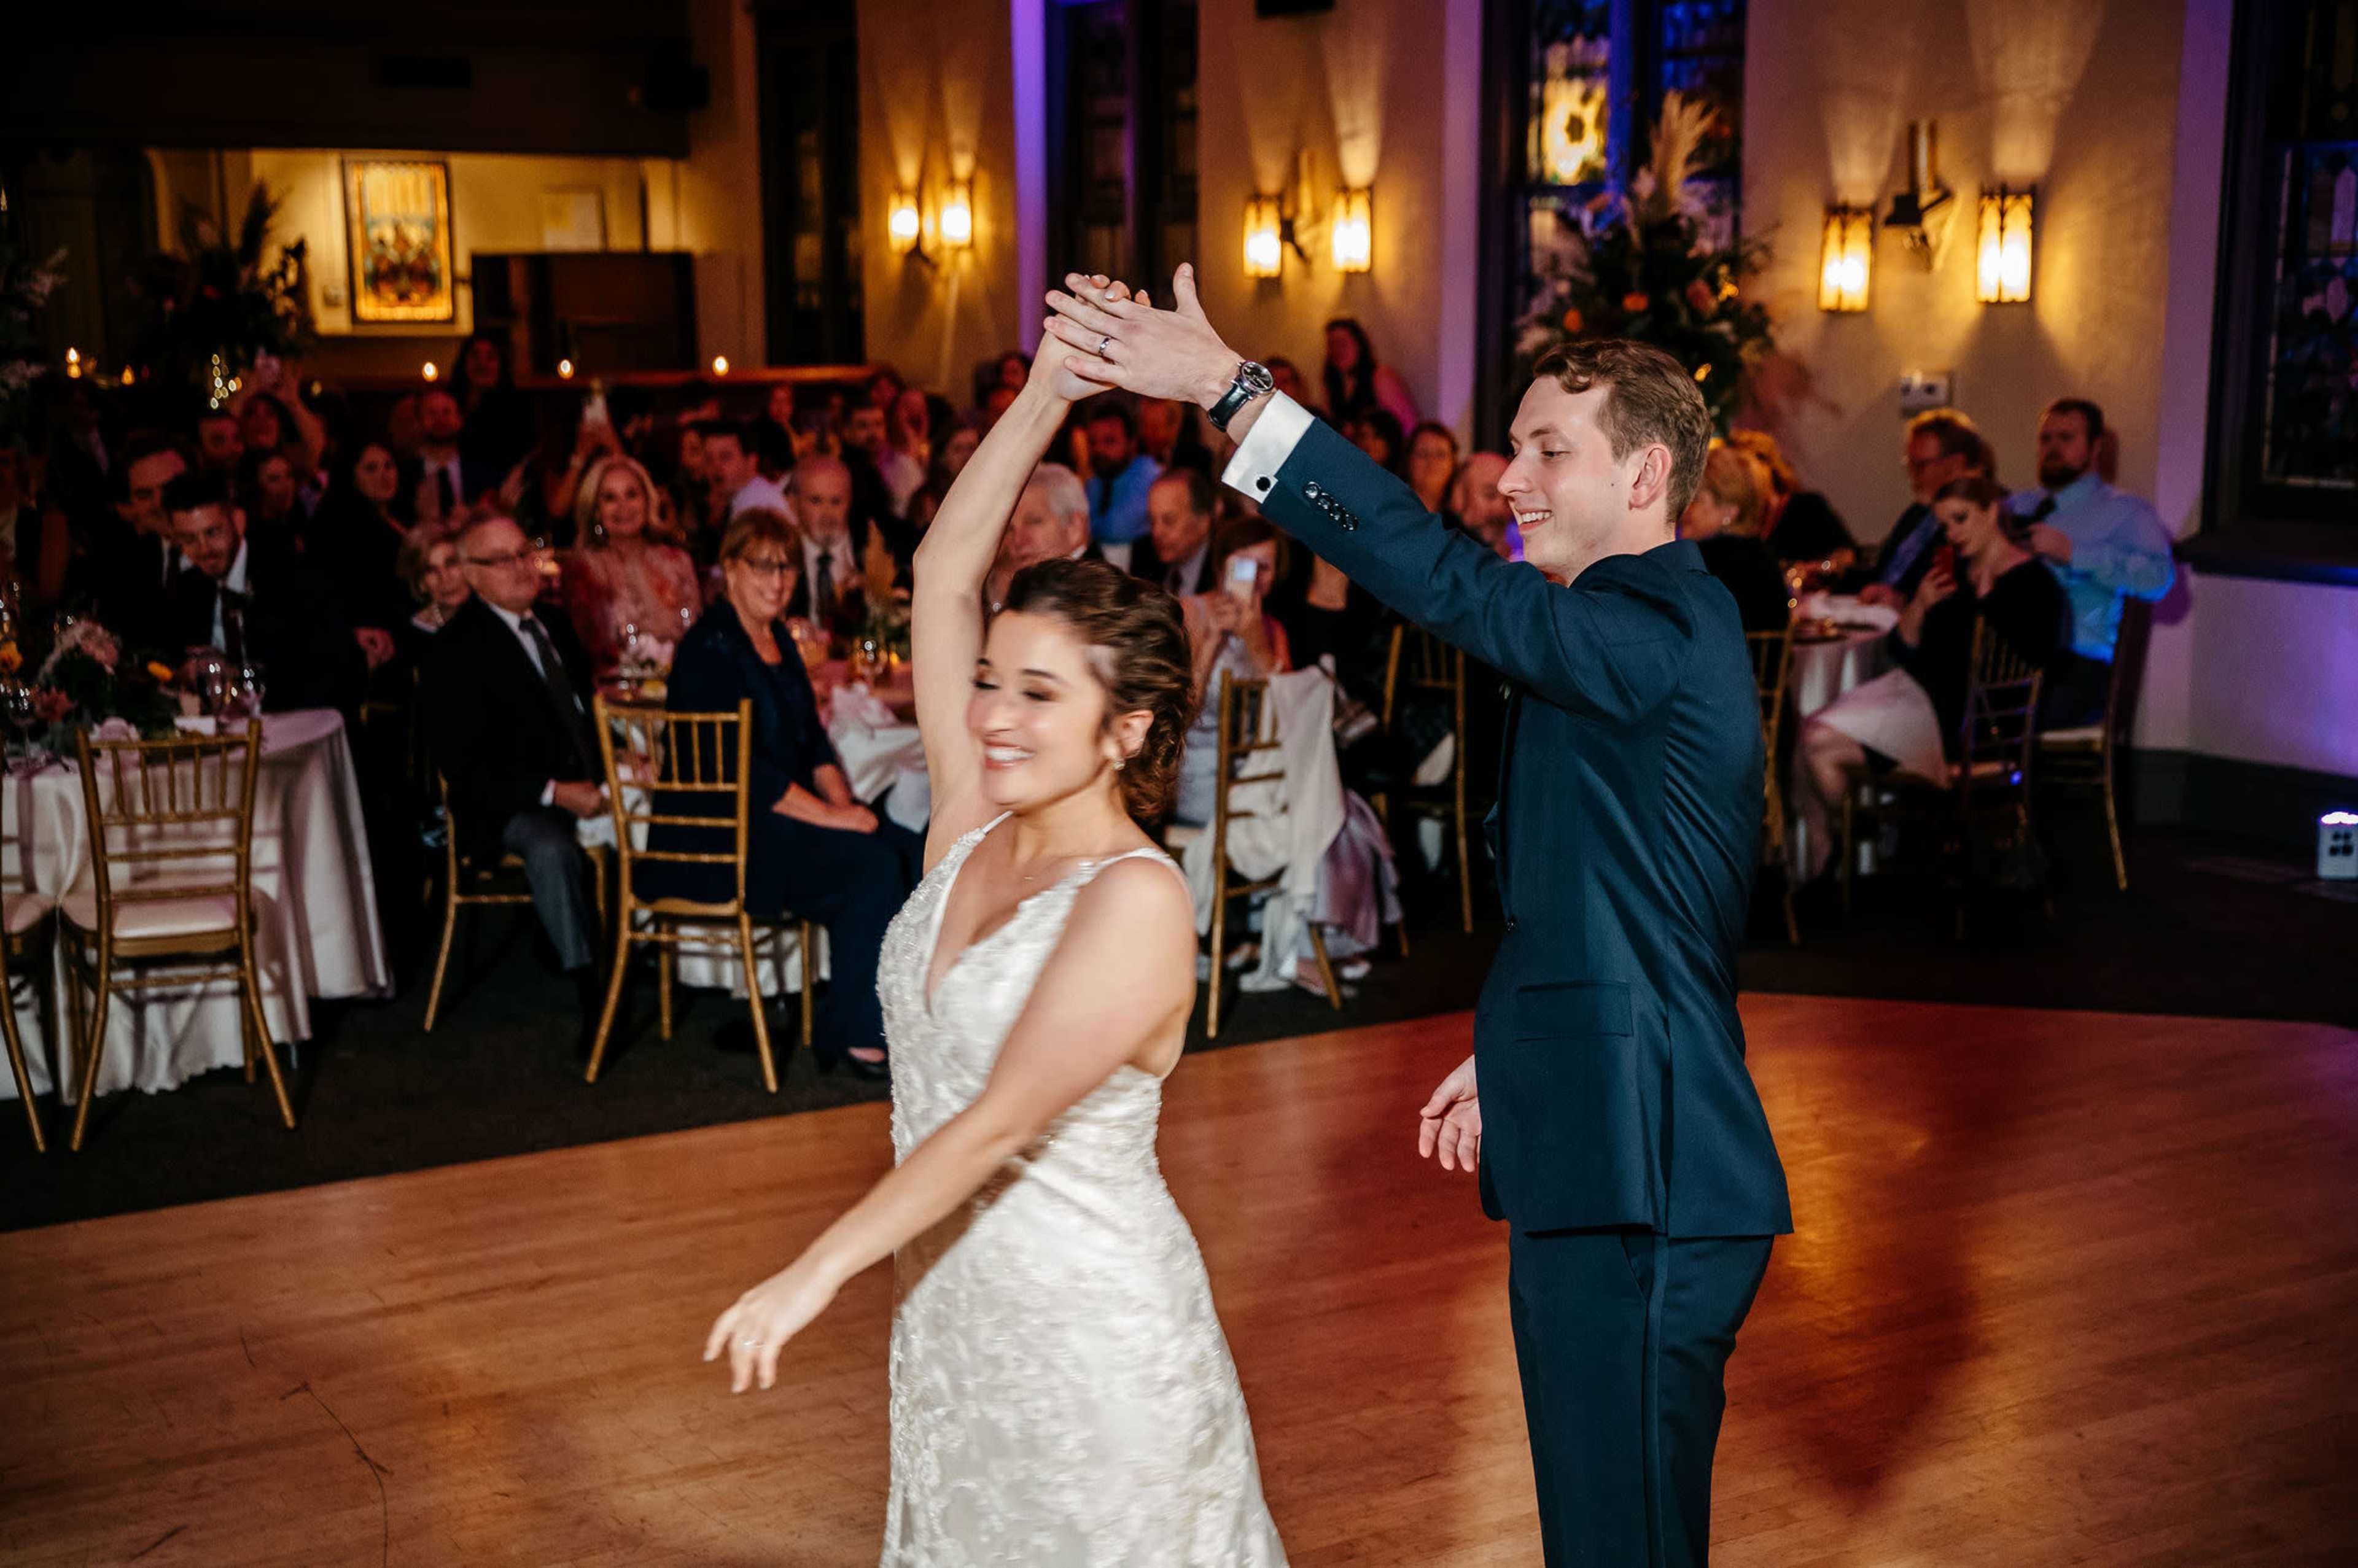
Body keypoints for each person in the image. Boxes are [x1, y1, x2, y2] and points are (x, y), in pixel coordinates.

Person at [1046, 266, 1788, 1568]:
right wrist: (1517, 1049)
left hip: (1648, 1166)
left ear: (1647, 477)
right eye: (1512, 445)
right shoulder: (1621, 635)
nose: (1508, 475)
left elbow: (1446, 580)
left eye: (1550, 448)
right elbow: (1615, 896)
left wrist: (1234, 393)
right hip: (1609, 1132)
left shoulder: (1660, 615)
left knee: (1621, 1540)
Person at [702, 316, 1283, 1564]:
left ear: (1125, 731)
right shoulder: (969, 819)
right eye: (991, 680)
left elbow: (1003, 1117)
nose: (995, 714)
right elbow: (949, 574)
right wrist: (1048, 394)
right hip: (954, 1312)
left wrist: (816, 1268)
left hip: (1090, 1333)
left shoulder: (1137, 897)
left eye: (1038, 692)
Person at [640, 509, 918, 1077]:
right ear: (730, 570)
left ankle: (876, 1016)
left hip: (776, 824)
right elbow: (744, 773)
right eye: (762, 566)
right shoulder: (709, 650)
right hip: (723, 838)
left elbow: (813, 744)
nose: (778, 581)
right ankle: (862, 1036)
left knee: (911, 850)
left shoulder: (778, 642)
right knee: (870, 867)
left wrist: (846, 806)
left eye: (786, 567)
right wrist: (836, 822)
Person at [1796, 474, 2069, 875]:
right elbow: (1903, 651)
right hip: (1920, 703)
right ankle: (1831, 848)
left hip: (1971, 724)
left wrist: (1961, 616)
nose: (1952, 534)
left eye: (1960, 519)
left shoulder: (2033, 584)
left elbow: (2027, 667)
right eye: (1944, 525)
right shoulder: (1950, 575)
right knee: (1813, 742)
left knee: (1818, 742)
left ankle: (1834, 851)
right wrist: (1920, 606)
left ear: (1991, 511)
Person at [423, 515, 609, 1044]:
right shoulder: (455, 650)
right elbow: (468, 771)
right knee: (551, 849)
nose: (521, 568)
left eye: (525, 553)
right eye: (501, 560)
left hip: (584, 782)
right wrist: (554, 792)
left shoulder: (555, 622)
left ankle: (655, 956)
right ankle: (588, 987)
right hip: (511, 803)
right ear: (472, 575)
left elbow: (582, 713)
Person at [2010, 397, 2173, 727]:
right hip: (2011, 655)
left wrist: (2075, 554)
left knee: (1999, 711)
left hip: (2076, 665)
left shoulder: (2126, 511)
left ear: (2095, 447)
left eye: (2066, 438)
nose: (2053, 448)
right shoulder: (2018, 506)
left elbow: (2159, 579)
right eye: (2046, 439)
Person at [160, 471, 364, 715]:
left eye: (213, 532)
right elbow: (171, 658)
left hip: (295, 721)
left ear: (237, 520)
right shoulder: (189, 586)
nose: (204, 550)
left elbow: (337, 668)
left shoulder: (289, 573)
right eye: (189, 539)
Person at [1171, 516, 1291, 828]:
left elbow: (1290, 714)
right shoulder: (1190, 613)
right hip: (1197, 770)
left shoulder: (1273, 630)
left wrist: (1257, 644)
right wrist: (1212, 641)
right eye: (1243, 565)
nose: (1253, 578)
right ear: (1222, 565)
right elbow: (1177, 716)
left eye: (1264, 567)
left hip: (1255, 772)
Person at [559, 454, 702, 676]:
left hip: (680, 684)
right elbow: (587, 647)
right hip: (614, 692)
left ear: (648, 500)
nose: (623, 507)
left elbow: (695, 634)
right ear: (596, 510)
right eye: (610, 498)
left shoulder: (678, 561)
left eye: (632, 494)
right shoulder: (583, 568)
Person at [1859, 409, 1987, 609]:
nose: (1912, 475)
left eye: (1920, 465)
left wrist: (1904, 602)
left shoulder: (1977, 524)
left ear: (1956, 465)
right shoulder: (1917, 513)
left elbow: (1960, 602)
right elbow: (1881, 570)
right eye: (1910, 464)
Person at [1679, 443, 1793, 633]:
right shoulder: (1762, 557)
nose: (1685, 510)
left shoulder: (1707, 561)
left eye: (1696, 499)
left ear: (1730, 511)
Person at [1724, 427, 1854, 564]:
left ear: (1767, 467)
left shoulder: (1808, 507)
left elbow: (1846, 556)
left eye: (1746, 471)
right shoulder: (1738, 524)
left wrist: (1810, 572)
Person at [984, 461, 1100, 611]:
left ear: (1075, 527)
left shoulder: (1097, 595)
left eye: (1034, 522)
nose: (1018, 540)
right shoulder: (1002, 582)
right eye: (1009, 529)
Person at [1079, 397, 1162, 566]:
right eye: (1092, 443)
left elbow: (1115, 529)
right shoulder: (1094, 482)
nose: (1099, 450)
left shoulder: (1154, 479)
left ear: (1132, 443)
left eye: (1109, 441)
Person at [1129, 467, 1220, 597]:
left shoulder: (1223, 566)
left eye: (1169, 521)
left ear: (1203, 522)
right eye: (1152, 521)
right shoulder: (1143, 556)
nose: (1157, 532)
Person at [1321, 316, 1420, 432]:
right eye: (1332, 345)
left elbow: (1409, 426)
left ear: (1359, 345)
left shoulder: (1380, 377)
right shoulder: (1334, 386)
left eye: (1343, 343)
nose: (1338, 350)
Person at [698, 420, 793, 524]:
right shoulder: (739, 497)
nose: (716, 467)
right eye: (709, 459)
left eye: (725, 457)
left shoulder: (756, 507)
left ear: (751, 461)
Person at [1406, 421, 1461, 514]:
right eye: (1423, 454)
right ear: (1409, 460)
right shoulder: (1389, 512)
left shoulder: (1462, 521)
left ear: (1453, 462)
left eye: (1440, 455)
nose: (1432, 461)